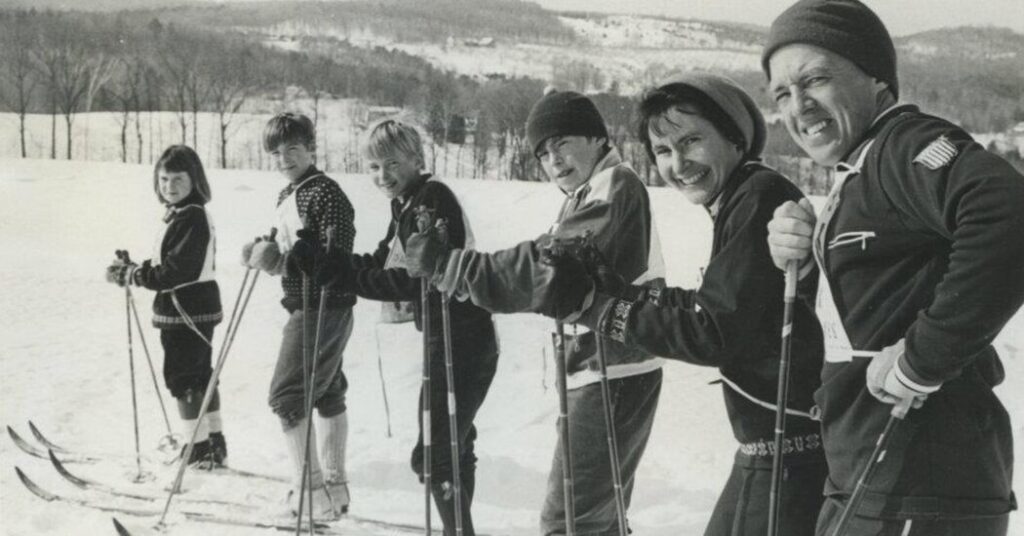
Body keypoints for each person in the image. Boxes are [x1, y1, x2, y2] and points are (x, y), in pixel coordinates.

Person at [763, 1, 1024, 534]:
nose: (799, 106)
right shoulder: (862, 166)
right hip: (878, 477)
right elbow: (881, 297)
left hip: (917, 481)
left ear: (876, 78)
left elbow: (1008, 210)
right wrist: (805, 258)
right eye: (782, 94)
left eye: (815, 79)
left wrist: (924, 357)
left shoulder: (902, 145)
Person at [563, 74, 827, 536]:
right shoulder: (740, 198)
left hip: (786, 456)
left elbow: (711, 333)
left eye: (691, 141)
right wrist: (622, 294)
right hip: (772, 450)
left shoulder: (757, 198)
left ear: (733, 136)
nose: (678, 163)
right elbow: (715, 305)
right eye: (663, 151)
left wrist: (599, 310)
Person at [406, 89, 665, 536]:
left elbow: (547, 268)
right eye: (543, 153)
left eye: (562, 142)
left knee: (568, 522)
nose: (554, 160)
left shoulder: (615, 188)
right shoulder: (589, 191)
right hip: (604, 369)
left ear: (597, 137)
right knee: (595, 516)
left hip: (614, 372)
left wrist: (456, 267)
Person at [290, 118, 499, 536]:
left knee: (436, 453)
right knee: (451, 446)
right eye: (372, 167)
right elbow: (386, 261)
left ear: (416, 160)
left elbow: (409, 280)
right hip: (450, 337)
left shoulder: (430, 201)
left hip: (463, 339)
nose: (382, 176)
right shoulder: (408, 202)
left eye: (391, 164)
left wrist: (339, 275)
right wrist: (333, 263)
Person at [242, 112, 356, 520]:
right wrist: (262, 250)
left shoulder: (325, 192)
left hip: (322, 305)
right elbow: (290, 244)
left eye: (293, 148)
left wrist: (280, 263)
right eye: (277, 152)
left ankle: (311, 493)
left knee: (287, 395)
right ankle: (335, 489)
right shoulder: (290, 193)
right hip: (310, 305)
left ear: (311, 148)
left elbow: (334, 255)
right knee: (324, 390)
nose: (285, 158)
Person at [105, 144, 227, 467]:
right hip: (194, 306)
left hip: (185, 309)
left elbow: (176, 271)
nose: (169, 187)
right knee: (201, 375)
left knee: (184, 378)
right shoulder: (184, 215)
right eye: (163, 180)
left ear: (194, 179)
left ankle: (198, 450)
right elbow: (168, 261)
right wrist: (137, 267)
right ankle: (213, 443)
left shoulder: (192, 217)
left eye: (177, 179)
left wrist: (136, 275)